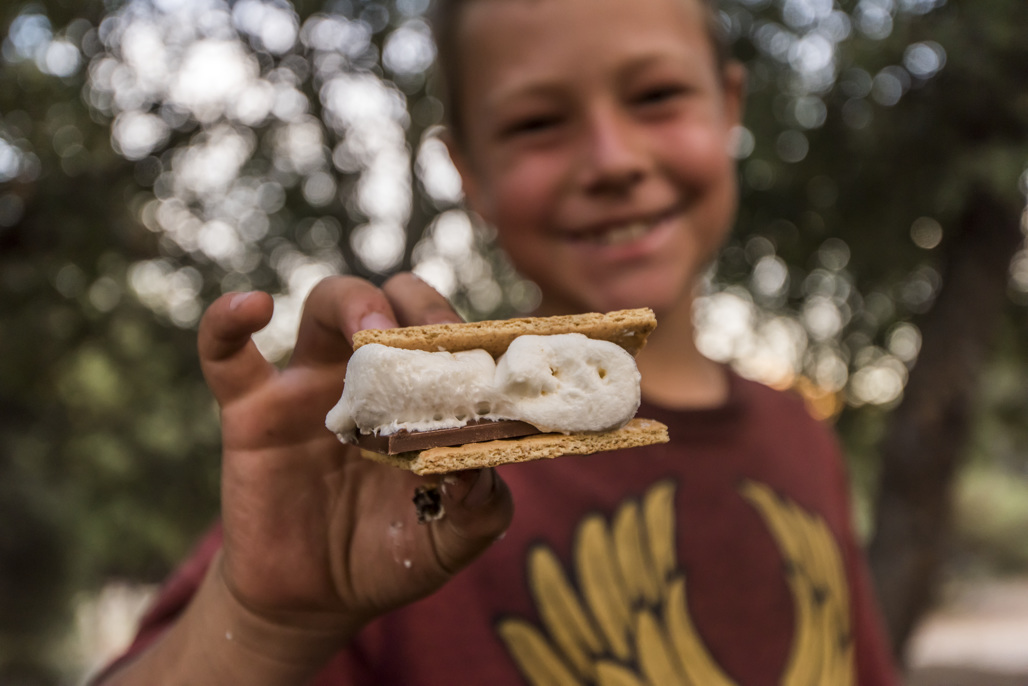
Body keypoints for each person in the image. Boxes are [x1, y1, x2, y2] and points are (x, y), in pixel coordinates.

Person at [96, 0, 900, 683]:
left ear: (730, 106)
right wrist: (261, 622)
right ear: (468, 172)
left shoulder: (801, 436)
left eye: (656, 95)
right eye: (538, 122)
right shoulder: (377, 483)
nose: (612, 160)